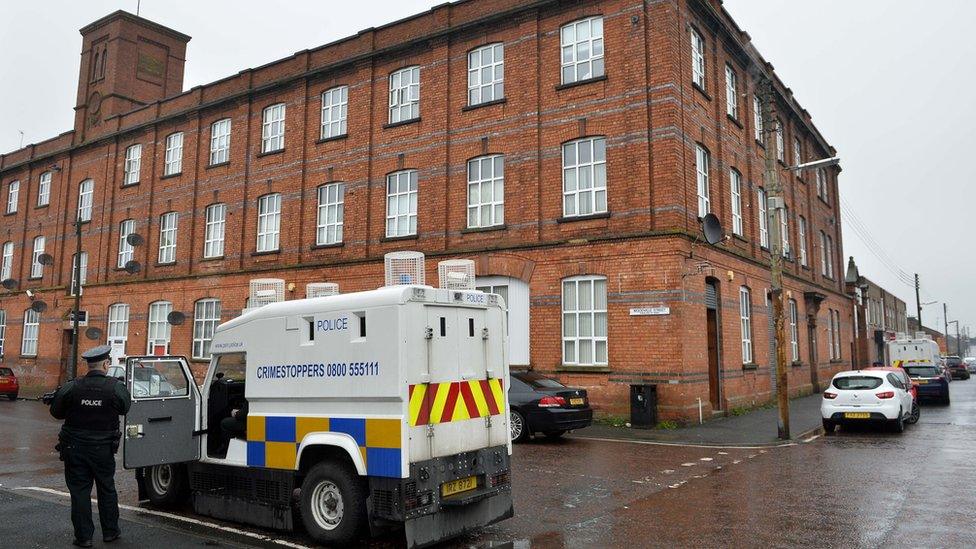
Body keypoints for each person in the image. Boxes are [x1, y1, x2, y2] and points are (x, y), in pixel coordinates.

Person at [49, 344, 131, 548]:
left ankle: (84, 537)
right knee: (107, 489)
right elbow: (125, 407)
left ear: (89, 365)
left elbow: (56, 412)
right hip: (103, 449)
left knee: (79, 492)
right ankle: (111, 532)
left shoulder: (72, 386)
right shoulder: (115, 387)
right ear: (105, 364)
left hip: (74, 449)